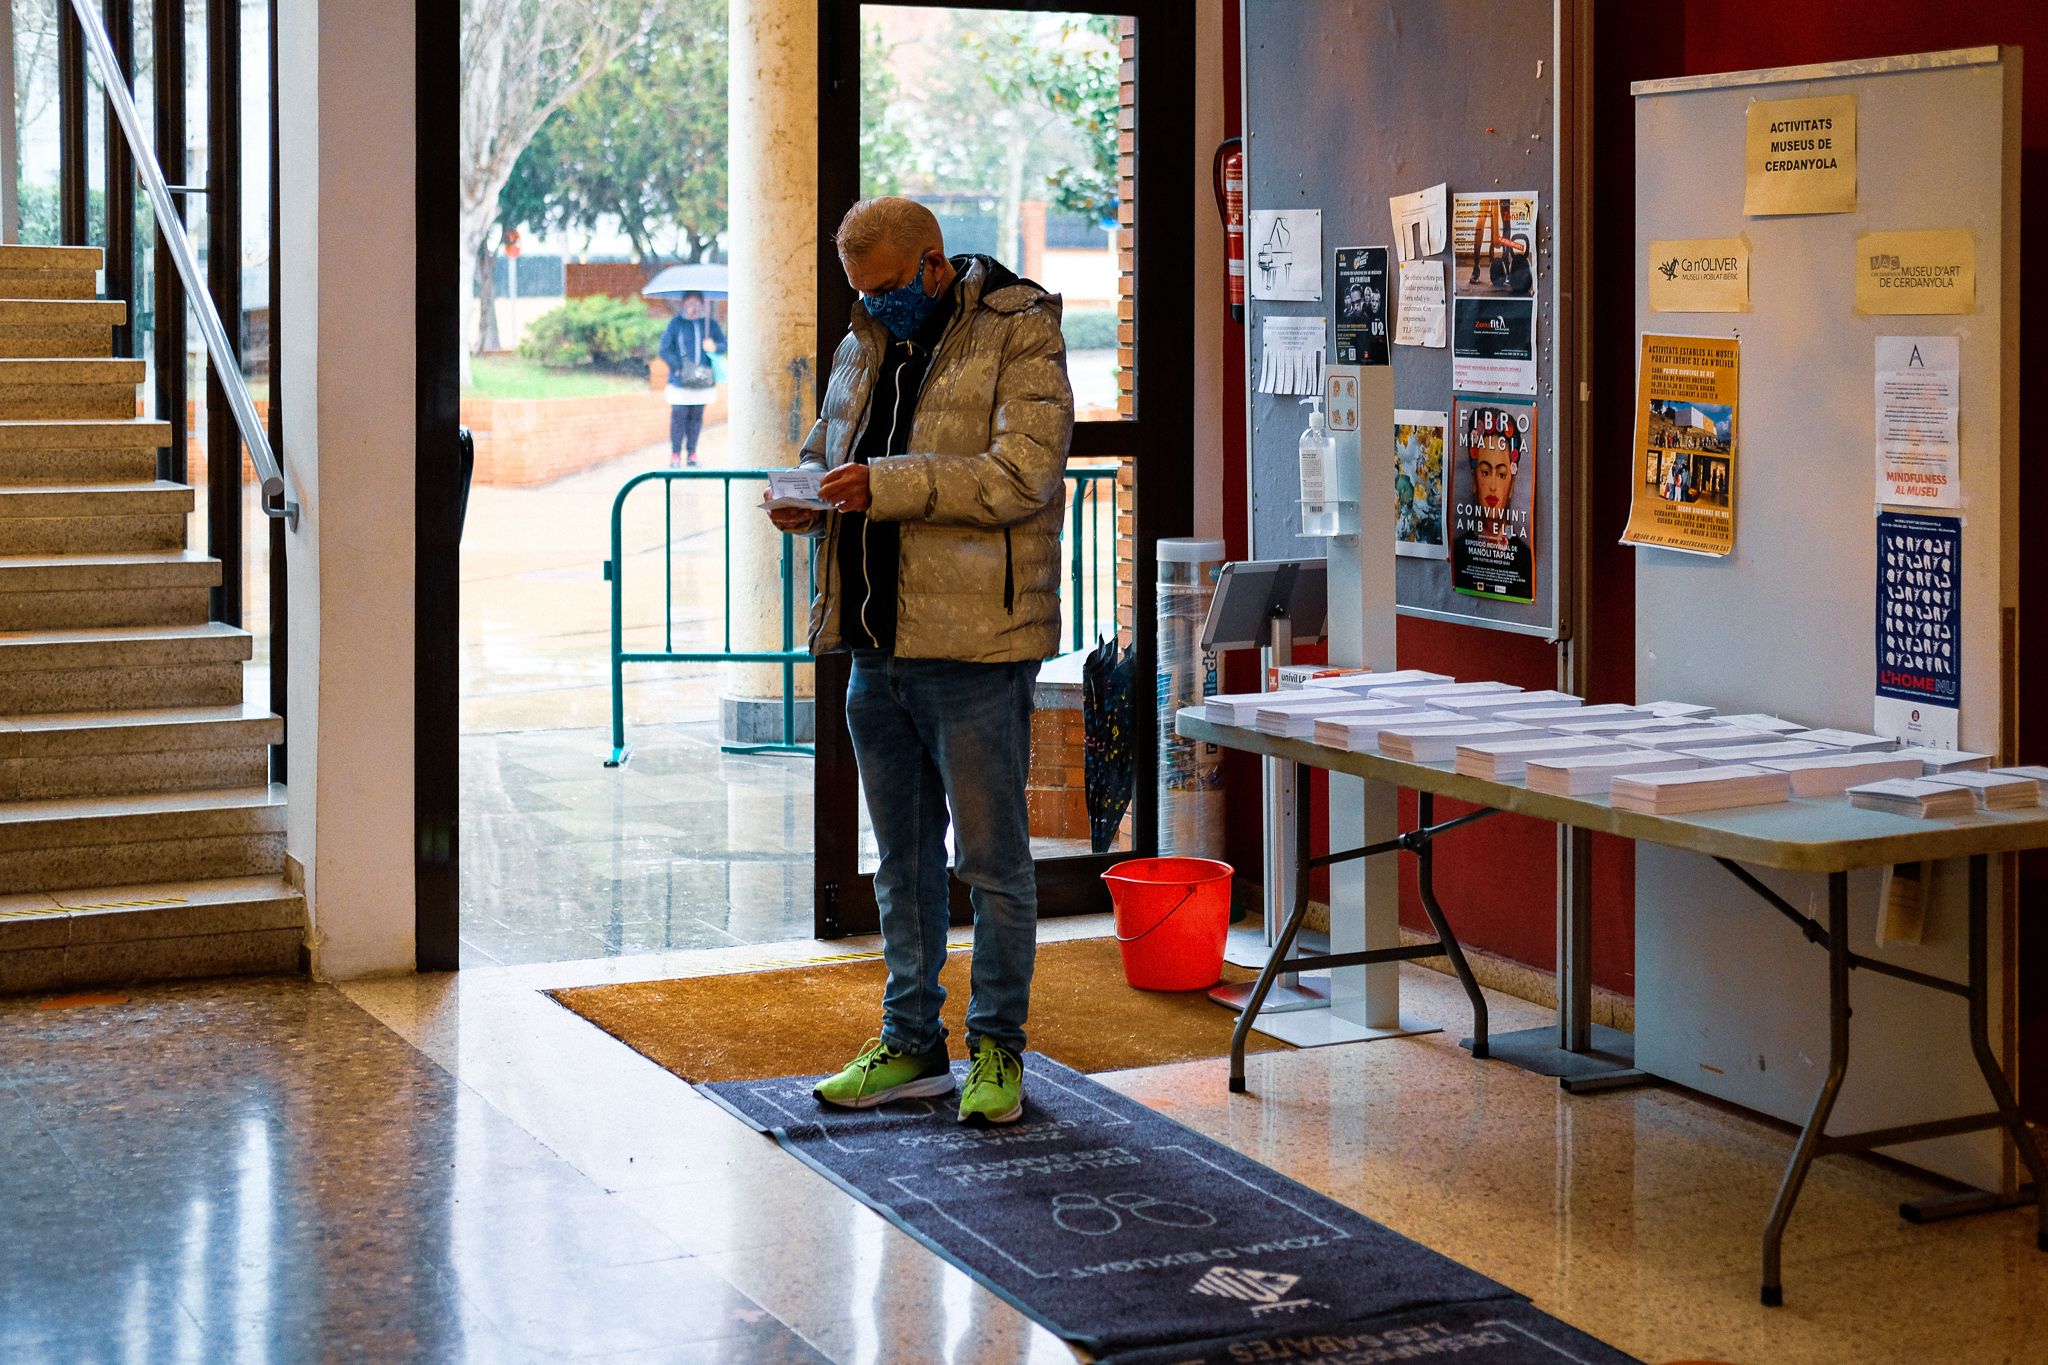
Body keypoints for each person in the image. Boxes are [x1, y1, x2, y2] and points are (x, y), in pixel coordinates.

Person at [765, 197, 1073, 1126]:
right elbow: (831, 451)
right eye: (862, 289)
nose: (877, 303)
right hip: (872, 644)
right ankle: (911, 1044)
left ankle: (997, 1051)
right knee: (901, 864)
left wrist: (886, 484)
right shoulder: (862, 340)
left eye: (891, 286)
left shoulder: (1022, 332)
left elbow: (1025, 472)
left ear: (934, 265)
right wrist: (807, 496)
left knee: (992, 863)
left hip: (974, 648)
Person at [659, 291, 724, 468]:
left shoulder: (709, 325)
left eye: (696, 304)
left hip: (702, 381)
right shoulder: (676, 324)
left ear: (702, 305)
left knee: (696, 418)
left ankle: (692, 453)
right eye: (689, 304)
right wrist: (678, 367)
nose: (693, 309)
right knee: (678, 417)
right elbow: (664, 349)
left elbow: (723, 344)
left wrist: (714, 346)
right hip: (680, 382)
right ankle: (675, 454)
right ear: (683, 305)